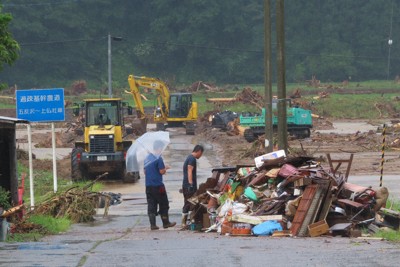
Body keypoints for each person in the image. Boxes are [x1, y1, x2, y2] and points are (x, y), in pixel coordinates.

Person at [144, 140, 176, 230]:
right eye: (162, 148)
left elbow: (145, 172)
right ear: (159, 148)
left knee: (151, 204)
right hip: (158, 186)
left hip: (148, 186)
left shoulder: (147, 158)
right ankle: (166, 223)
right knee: (164, 203)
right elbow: (161, 171)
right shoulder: (158, 158)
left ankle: (153, 225)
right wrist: (165, 168)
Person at [181, 144, 204, 229]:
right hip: (189, 186)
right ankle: (185, 223)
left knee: (189, 203)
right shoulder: (192, 159)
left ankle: (188, 222)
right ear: (199, 151)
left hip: (186, 185)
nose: (201, 156)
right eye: (201, 154)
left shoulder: (189, 158)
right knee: (189, 203)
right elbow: (189, 170)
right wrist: (190, 184)